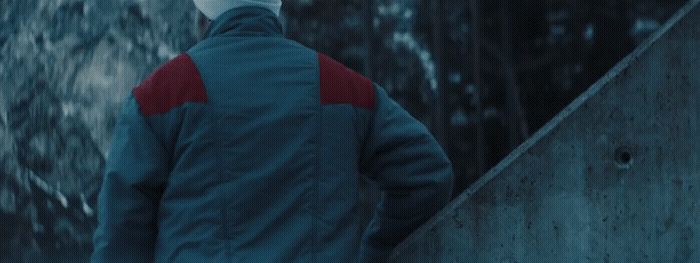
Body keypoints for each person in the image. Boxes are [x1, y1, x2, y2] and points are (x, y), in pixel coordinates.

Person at [91, 0, 453, 262]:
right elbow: (426, 174)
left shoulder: (159, 96)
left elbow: (121, 239)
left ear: (202, 15)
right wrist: (374, 253)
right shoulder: (341, 88)